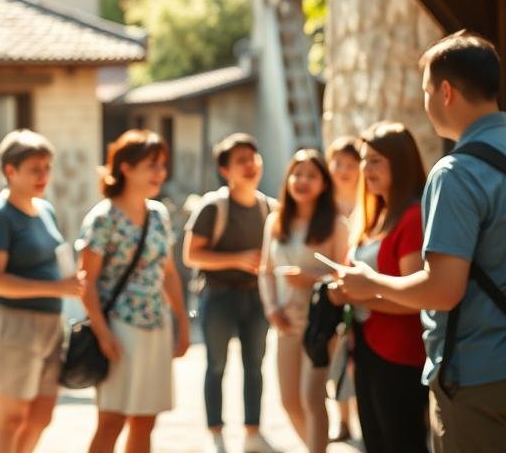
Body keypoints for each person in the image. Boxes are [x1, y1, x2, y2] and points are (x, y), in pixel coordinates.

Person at [333, 31, 506, 453]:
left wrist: (371, 285)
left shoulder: (455, 171)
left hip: (479, 373)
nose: (426, 101)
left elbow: (442, 290)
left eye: (425, 91)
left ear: (445, 91)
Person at [79, 129, 190, 453]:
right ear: (125, 167)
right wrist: (102, 334)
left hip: (157, 327)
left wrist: (182, 322)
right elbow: (85, 282)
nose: (160, 173)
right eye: (152, 165)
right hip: (118, 330)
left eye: (162, 165)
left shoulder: (159, 215)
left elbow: (168, 273)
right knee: (111, 421)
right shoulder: (103, 218)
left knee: (146, 421)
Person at [0, 129, 84, 453]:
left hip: (51, 325)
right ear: (11, 170)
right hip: (15, 325)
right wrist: (56, 287)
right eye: (36, 169)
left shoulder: (45, 209)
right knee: (12, 418)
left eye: (48, 167)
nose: (44, 175)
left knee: (41, 416)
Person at [330, 122, 428, 453]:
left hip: (400, 353)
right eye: (364, 159)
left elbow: (417, 298)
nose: (365, 169)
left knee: (401, 443)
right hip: (368, 349)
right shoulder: (378, 213)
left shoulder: (413, 216)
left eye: (375, 160)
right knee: (374, 441)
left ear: (399, 163)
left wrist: (361, 295)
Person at [182, 133, 278, 453]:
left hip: (255, 297)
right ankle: (216, 434)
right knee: (216, 365)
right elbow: (191, 255)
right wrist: (237, 259)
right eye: (241, 160)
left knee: (255, 365)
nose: (250, 165)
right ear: (225, 170)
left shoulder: (270, 209)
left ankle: (252, 432)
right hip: (218, 296)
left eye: (254, 158)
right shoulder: (213, 207)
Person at [259, 149, 349, 453]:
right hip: (285, 321)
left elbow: (345, 276)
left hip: (321, 325)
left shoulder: (336, 225)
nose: (303, 181)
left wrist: (309, 275)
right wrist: (271, 309)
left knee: (312, 398)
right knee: (288, 400)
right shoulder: (275, 221)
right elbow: (266, 272)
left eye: (312, 175)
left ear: (324, 183)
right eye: (297, 173)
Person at [325, 135, 361, 442]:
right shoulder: (323, 208)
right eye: (338, 162)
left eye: (352, 163)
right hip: (334, 295)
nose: (345, 169)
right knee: (337, 360)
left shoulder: (369, 204)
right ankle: (343, 420)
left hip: (364, 294)